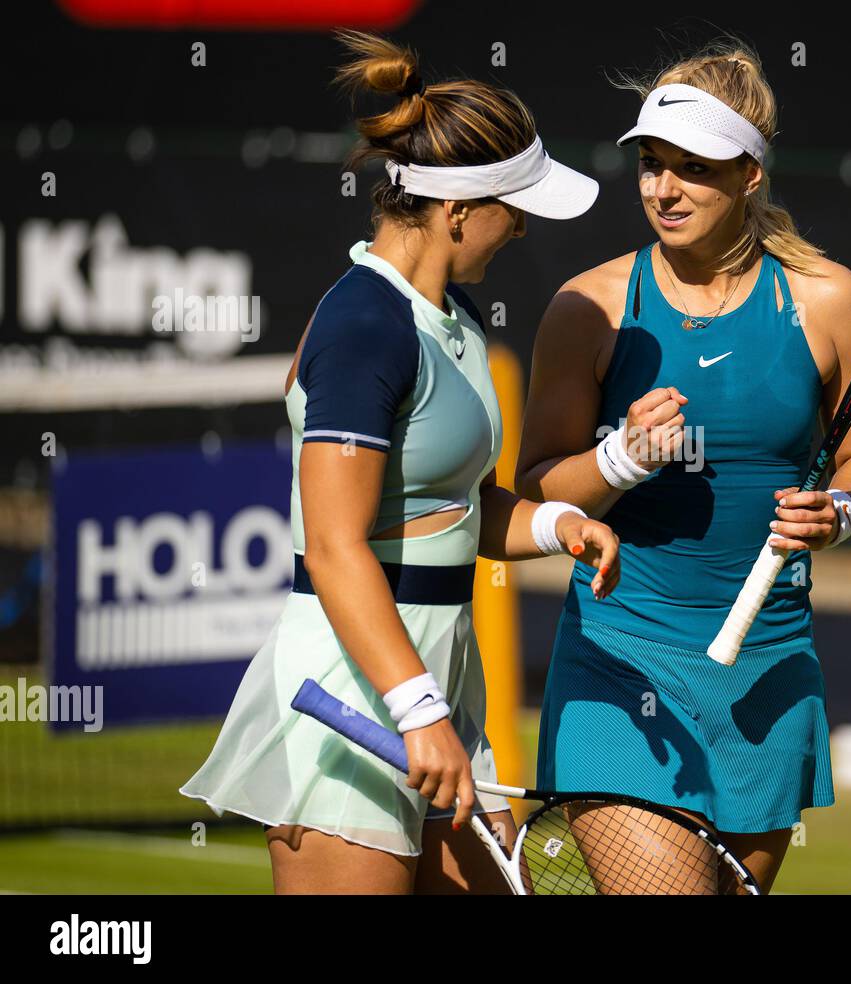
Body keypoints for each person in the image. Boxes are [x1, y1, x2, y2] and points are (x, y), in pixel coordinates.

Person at [181, 32, 620, 894]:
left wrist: (560, 523)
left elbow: (453, 508)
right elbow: (340, 546)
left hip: (440, 686)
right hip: (356, 695)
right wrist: (418, 710)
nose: (523, 225)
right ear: (457, 213)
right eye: (513, 205)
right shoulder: (361, 327)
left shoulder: (452, 317)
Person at [516, 40, 851, 893]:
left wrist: (839, 512)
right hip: (619, 665)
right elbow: (536, 483)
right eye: (652, 165)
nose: (664, 189)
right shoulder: (589, 305)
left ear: (750, 176)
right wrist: (618, 460)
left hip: (769, 672)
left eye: (694, 168)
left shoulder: (829, 298)